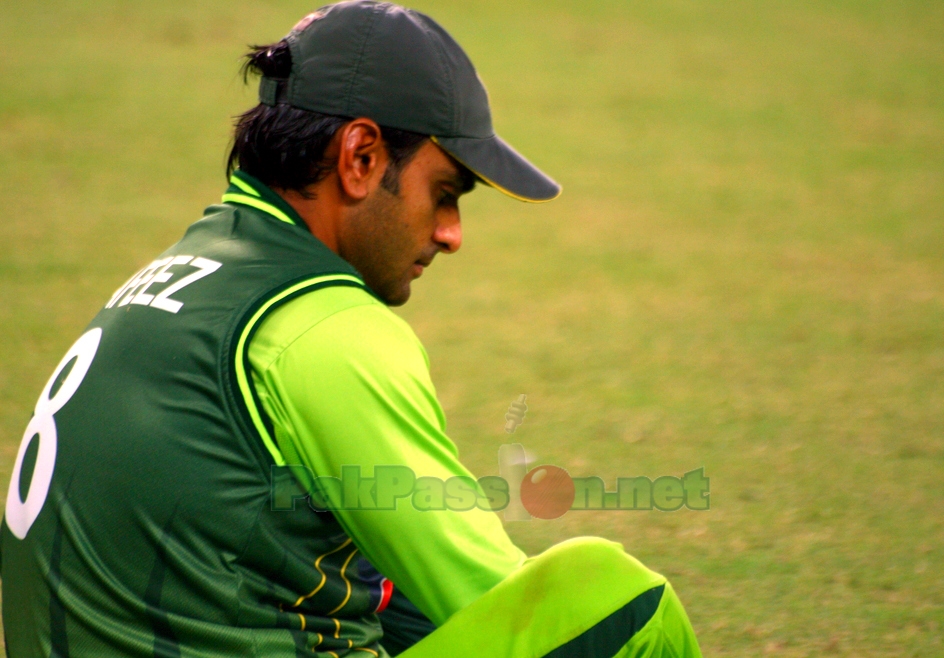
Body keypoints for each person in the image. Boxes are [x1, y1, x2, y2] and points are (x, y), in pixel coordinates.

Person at [0, 2, 702, 656]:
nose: (453, 234)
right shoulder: (327, 328)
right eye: (446, 194)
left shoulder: (185, 268)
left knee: (382, 580)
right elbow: (497, 597)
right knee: (616, 599)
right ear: (361, 158)